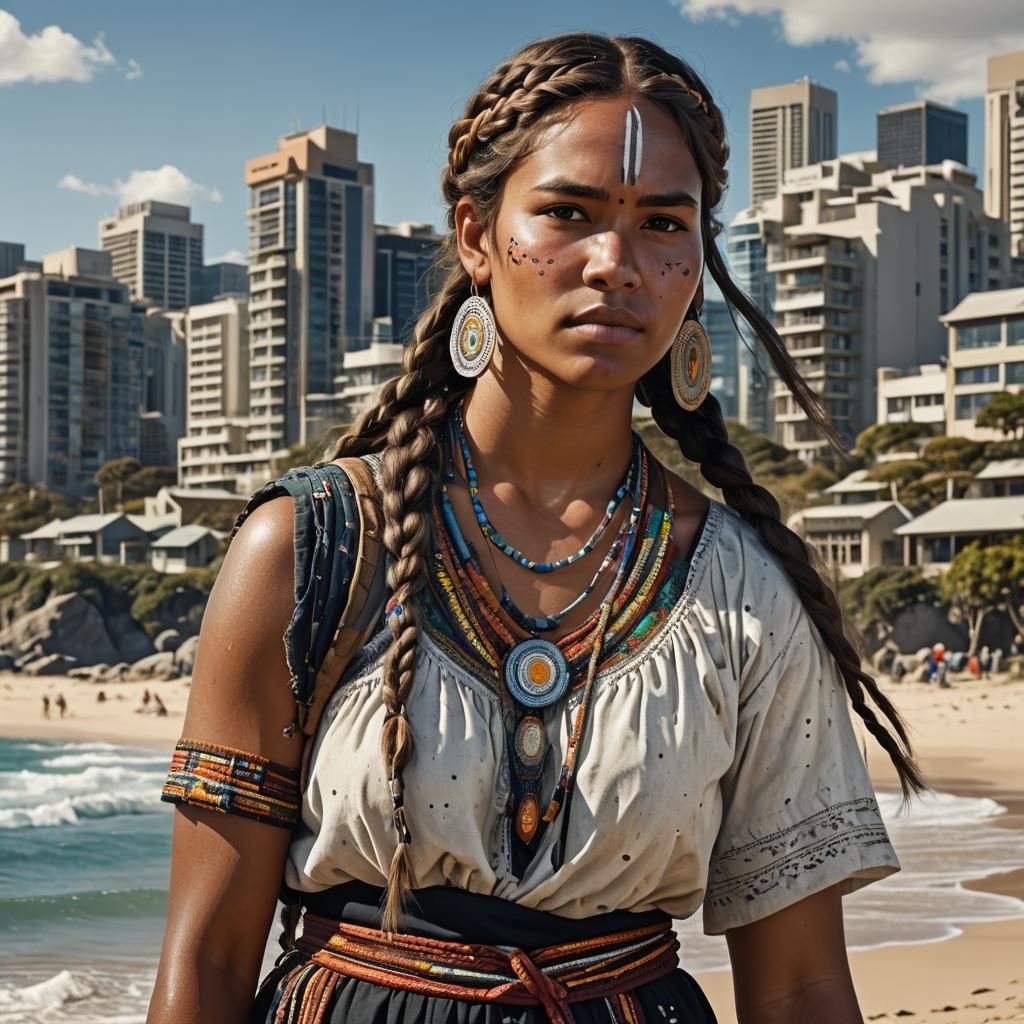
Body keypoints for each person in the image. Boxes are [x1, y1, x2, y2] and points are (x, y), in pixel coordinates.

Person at [149, 34, 920, 1024]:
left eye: (659, 223)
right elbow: (208, 962)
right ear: (476, 235)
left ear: (696, 261)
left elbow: (803, 987)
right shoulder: (311, 547)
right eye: (568, 213)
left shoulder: (743, 587)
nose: (616, 263)